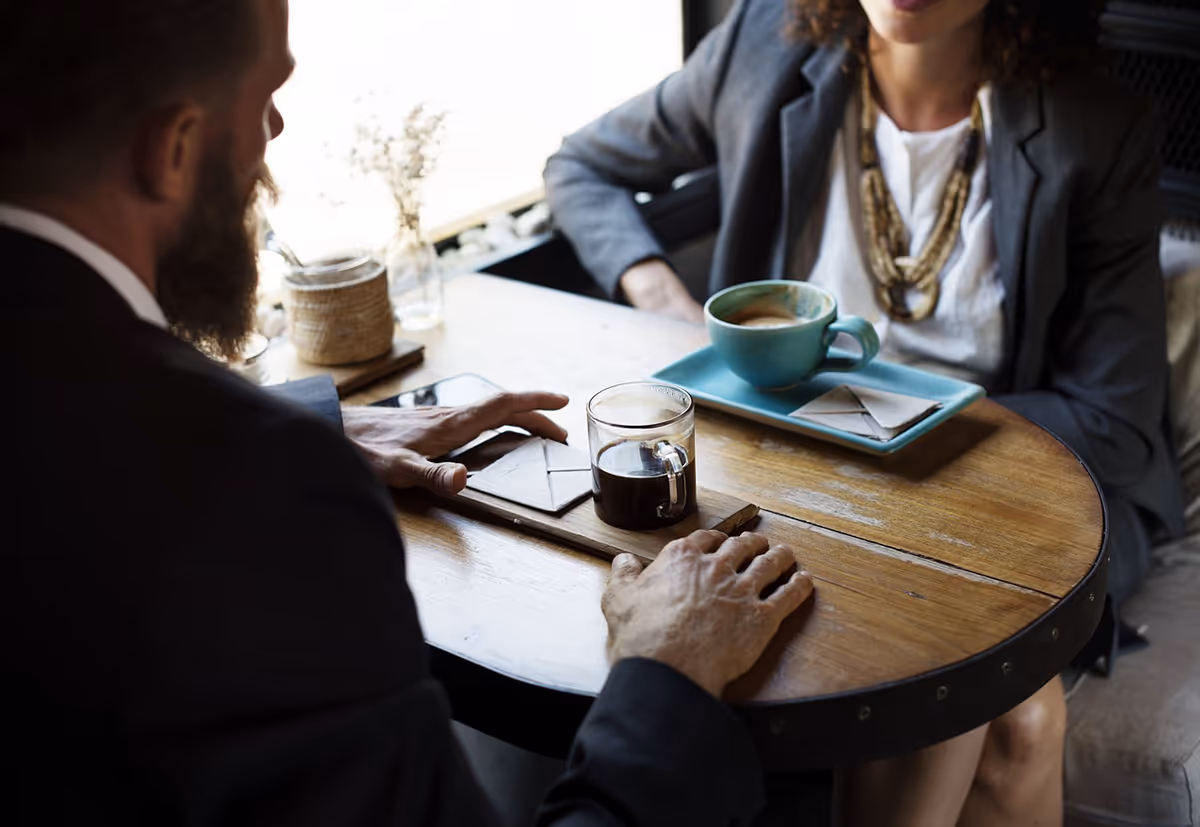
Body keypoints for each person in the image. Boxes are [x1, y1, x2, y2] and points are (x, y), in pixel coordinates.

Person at [2, 1, 819, 824]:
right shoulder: (261, 496)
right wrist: (668, 674)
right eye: (266, 97)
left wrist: (321, 423)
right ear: (173, 149)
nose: (275, 131)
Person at [544, 0, 1188, 824]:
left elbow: (1112, 422)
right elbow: (579, 166)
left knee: (1006, 722)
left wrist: (877, 431)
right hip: (810, 479)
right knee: (1016, 722)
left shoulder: (1096, 125)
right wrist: (662, 298)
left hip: (1012, 487)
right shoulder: (757, 47)